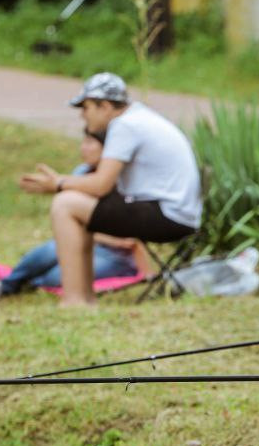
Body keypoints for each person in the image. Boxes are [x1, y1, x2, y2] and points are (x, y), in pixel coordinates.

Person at [19, 72, 201, 307]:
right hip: (177, 213)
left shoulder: (125, 125)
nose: (83, 116)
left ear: (104, 106)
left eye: (85, 108)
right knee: (74, 200)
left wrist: (58, 183)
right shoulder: (139, 118)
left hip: (168, 216)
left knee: (65, 204)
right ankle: (83, 297)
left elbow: (100, 184)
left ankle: (75, 300)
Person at [0, 129, 145, 303]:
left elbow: (127, 240)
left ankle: (29, 282)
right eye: (83, 142)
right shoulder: (81, 172)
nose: (84, 148)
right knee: (49, 251)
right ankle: (7, 285)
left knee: (55, 277)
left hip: (115, 256)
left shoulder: (125, 181)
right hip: (84, 242)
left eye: (90, 143)